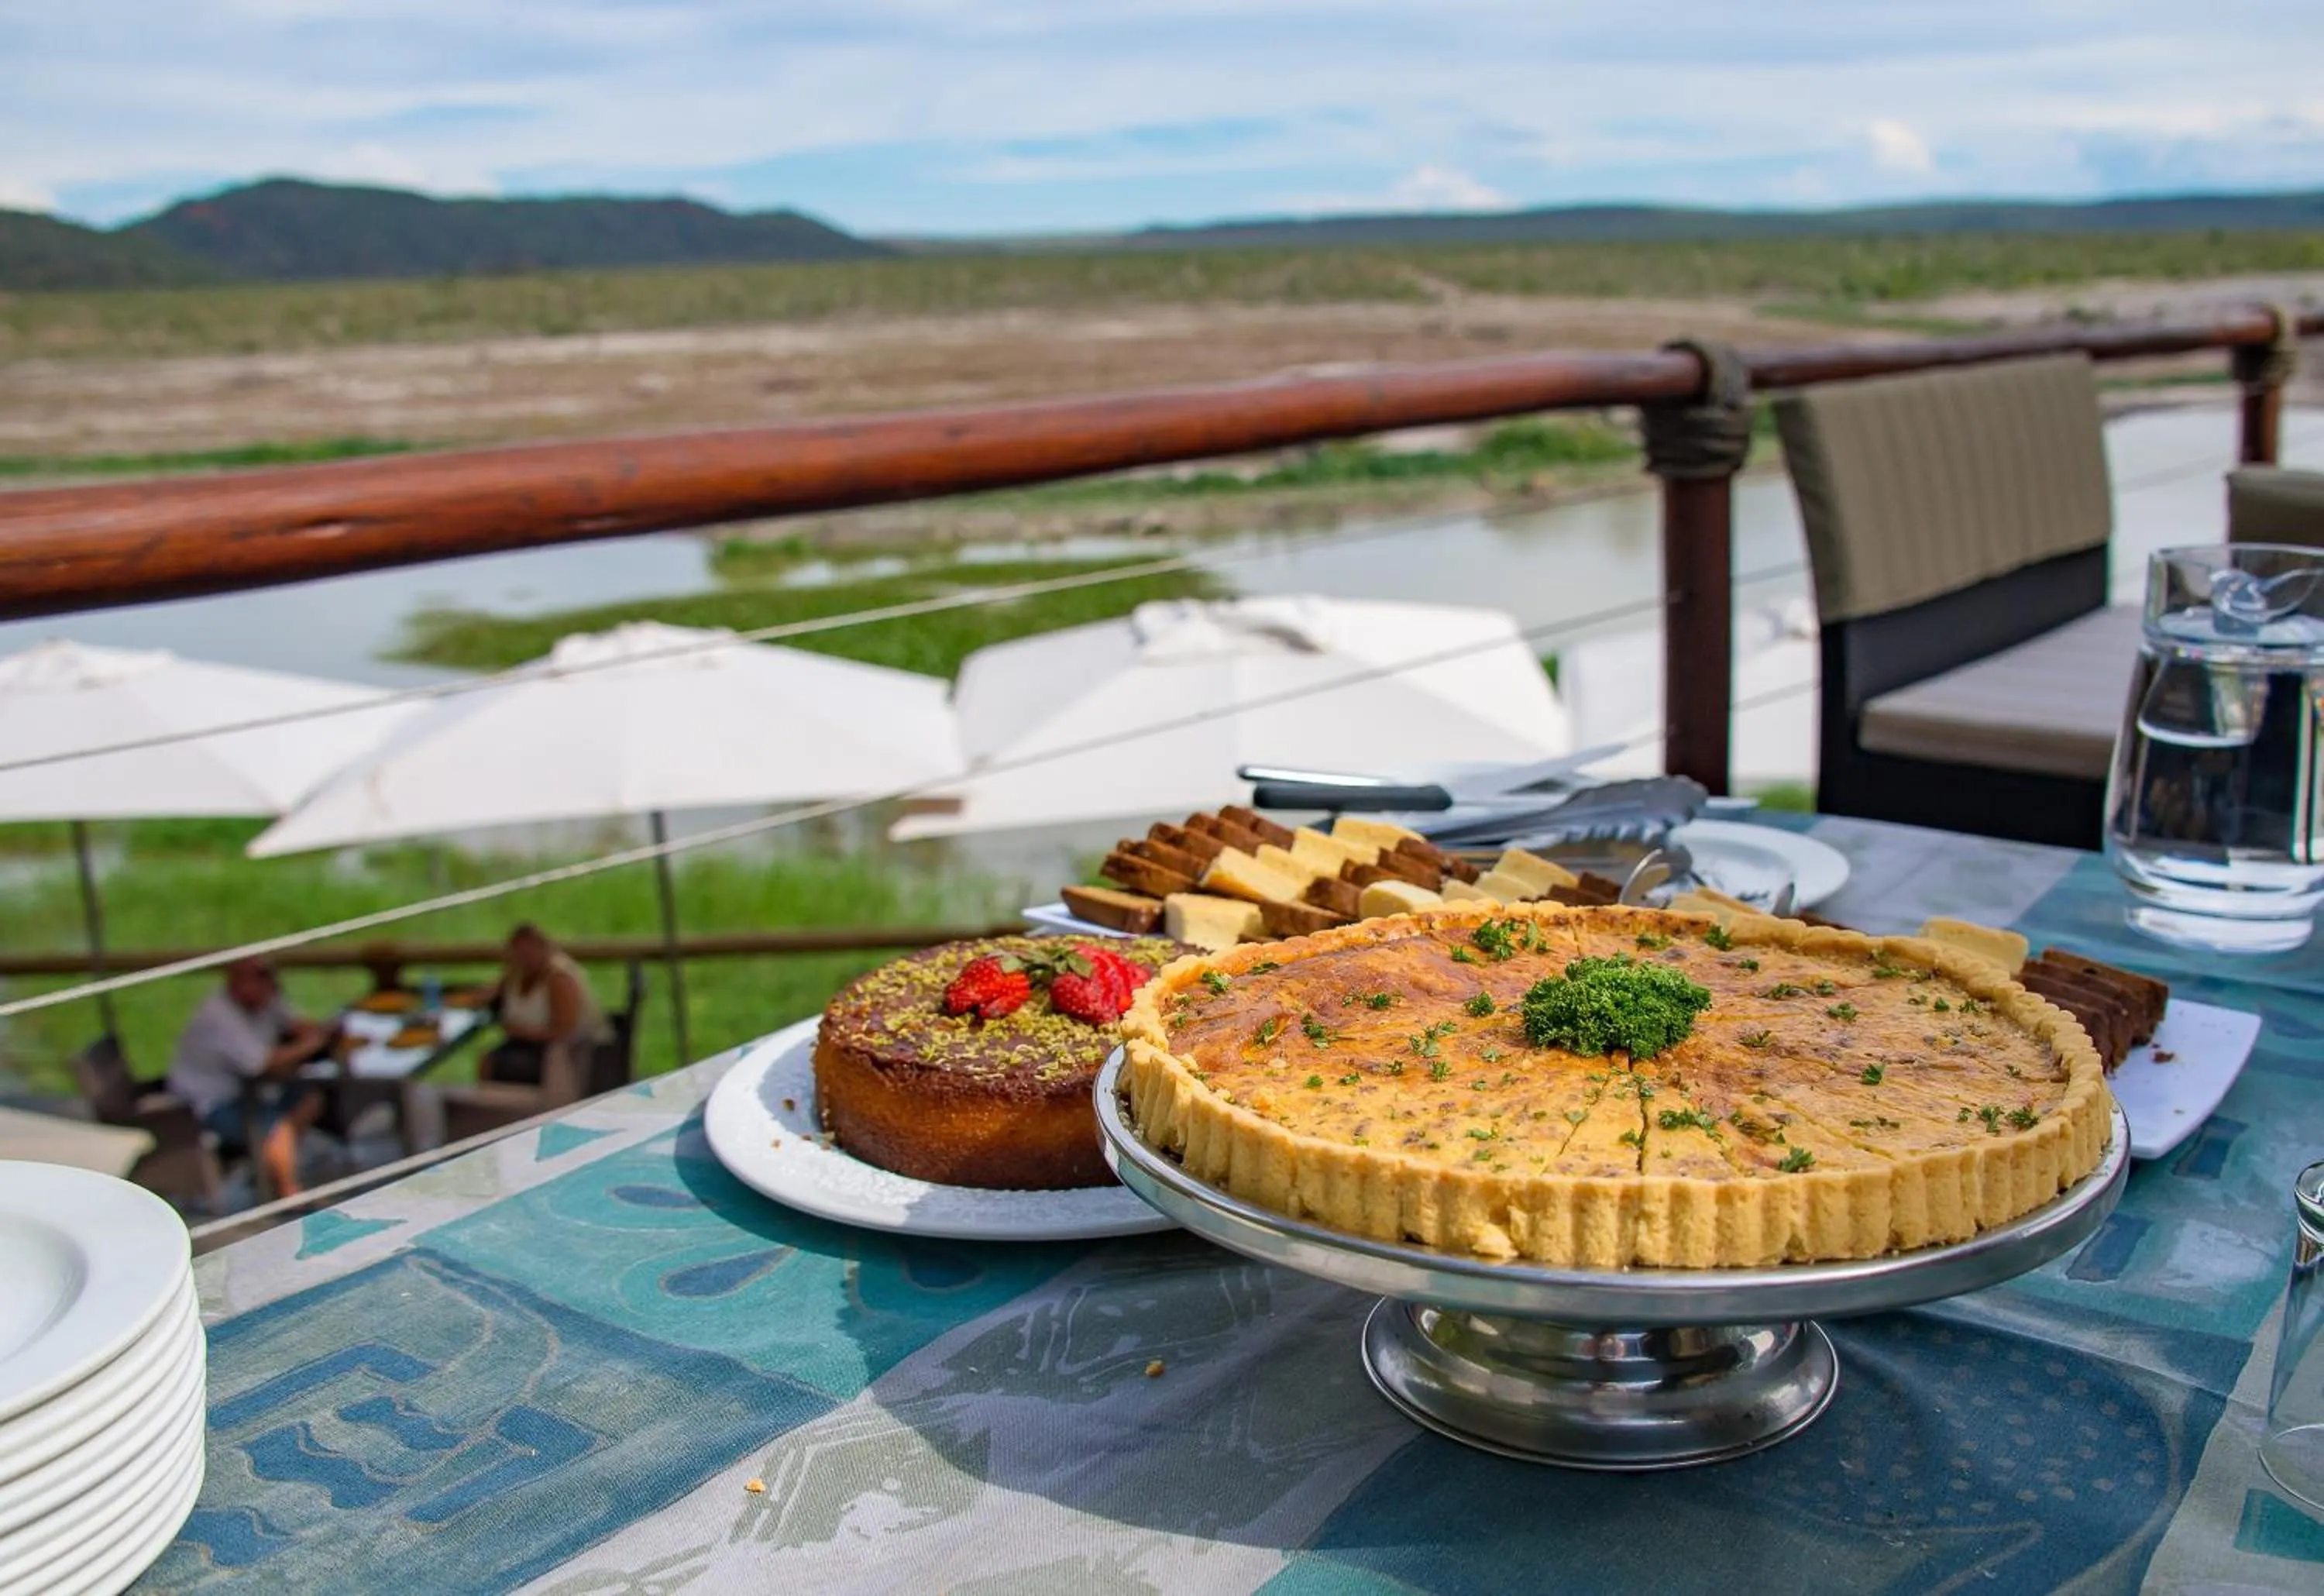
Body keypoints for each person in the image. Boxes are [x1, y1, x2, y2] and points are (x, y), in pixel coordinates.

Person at [167, 957, 332, 1197]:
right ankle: (289, 1194)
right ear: (238, 983)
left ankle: (271, 1163)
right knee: (278, 1127)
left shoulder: (265, 999)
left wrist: (320, 1032)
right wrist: (311, 1045)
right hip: (208, 1105)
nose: (271, 987)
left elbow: (295, 1023)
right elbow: (262, 1064)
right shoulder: (219, 1016)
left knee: (311, 1099)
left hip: (251, 1091)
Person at [481, 924, 608, 1089]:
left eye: (528, 953)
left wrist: (522, 1032)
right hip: (523, 1045)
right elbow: (486, 997)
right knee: (487, 1059)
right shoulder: (516, 974)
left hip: (559, 1054)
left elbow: (565, 1031)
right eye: (518, 954)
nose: (524, 959)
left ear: (543, 948)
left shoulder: (560, 979)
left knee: (492, 1063)